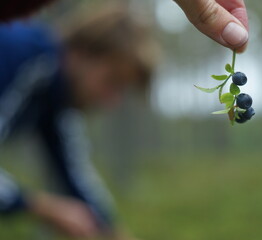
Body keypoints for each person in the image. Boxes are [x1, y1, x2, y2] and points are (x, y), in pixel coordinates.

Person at [0, 7, 155, 239]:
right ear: (81, 54)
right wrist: (43, 207)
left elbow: (77, 176)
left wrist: (113, 231)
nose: (110, 101)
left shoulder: (55, 95)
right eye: (111, 81)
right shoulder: (17, 55)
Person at [0, 0, 249, 53]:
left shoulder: (54, 101)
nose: (111, 101)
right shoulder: (24, 58)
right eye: (111, 81)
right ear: (88, 53)